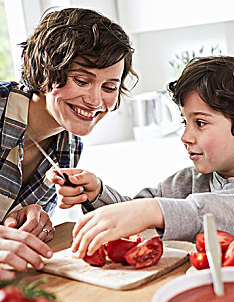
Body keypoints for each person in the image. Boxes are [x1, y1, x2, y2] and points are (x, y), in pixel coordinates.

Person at [50, 56, 234, 259]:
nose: (185, 136)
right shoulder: (187, 181)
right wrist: (97, 193)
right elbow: (134, 213)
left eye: (200, 123)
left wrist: (153, 210)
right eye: (185, 122)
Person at [0, 8, 137, 279]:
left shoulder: (68, 147)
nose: (96, 101)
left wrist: (29, 222)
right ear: (44, 73)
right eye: (82, 80)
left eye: (109, 87)